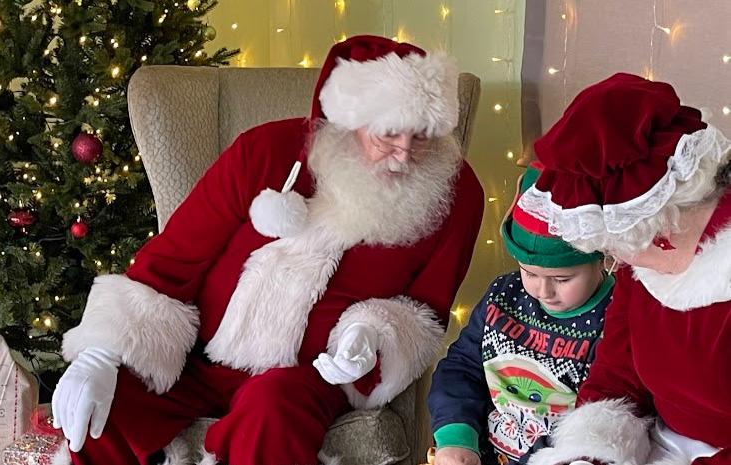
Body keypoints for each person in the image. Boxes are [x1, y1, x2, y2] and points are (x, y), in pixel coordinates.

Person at [50, 35, 485, 465]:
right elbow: (174, 258)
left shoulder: (456, 195)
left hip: (309, 378)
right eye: (390, 134)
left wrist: (374, 335)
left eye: (423, 135)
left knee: (272, 409)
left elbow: (425, 311)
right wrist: (103, 352)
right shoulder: (263, 151)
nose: (406, 153)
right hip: (197, 363)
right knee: (104, 405)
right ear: (353, 119)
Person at [515, 73, 731, 465]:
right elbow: (617, 376)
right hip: (662, 444)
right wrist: (590, 454)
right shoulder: (641, 270)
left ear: (658, 230)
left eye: (610, 245)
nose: (613, 259)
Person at [428, 164, 613, 465]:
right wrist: (456, 437)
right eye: (529, 273)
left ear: (604, 257)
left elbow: (608, 415)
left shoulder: (616, 317)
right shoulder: (504, 294)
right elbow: (462, 367)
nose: (542, 290)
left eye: (562, 279)